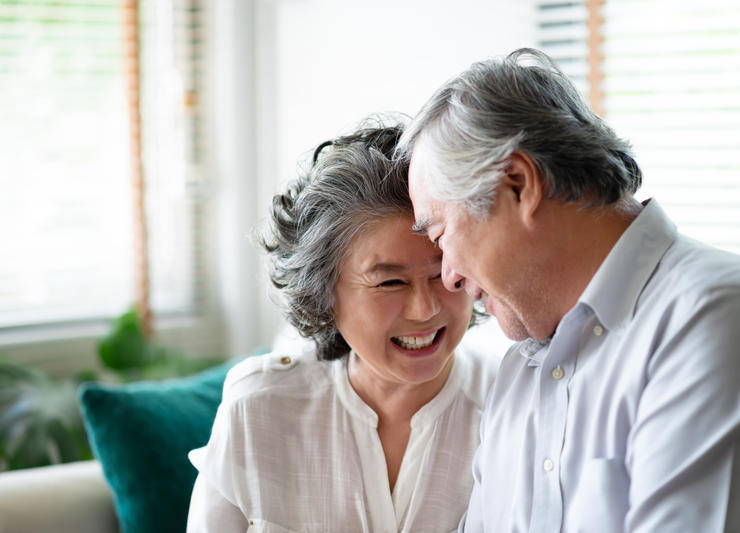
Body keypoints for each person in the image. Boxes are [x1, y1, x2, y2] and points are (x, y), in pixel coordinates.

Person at [398, 48, 740, 532]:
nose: (449, 276)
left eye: (440, 236)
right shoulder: (521, 371)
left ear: (518, 184)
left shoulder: (709, 318)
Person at [186, 120, 496, 532]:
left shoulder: (508, 405)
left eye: (441, 273)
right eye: (390, 282)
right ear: (324, 294)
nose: (424, 310)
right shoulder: (259, 406)